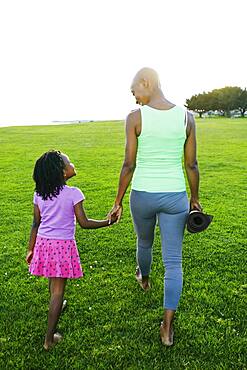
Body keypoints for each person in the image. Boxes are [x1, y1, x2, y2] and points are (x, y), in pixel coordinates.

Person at [108, 67, 201, 346]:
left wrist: (117, 201)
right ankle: (167, 328)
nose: (134, 98)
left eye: (134, 91)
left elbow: (129, 164)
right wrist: (194, 198)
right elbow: (192, 164)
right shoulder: (187, 117)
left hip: (143, 195)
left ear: (146, 83)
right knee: (174, 262)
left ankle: (144, 278)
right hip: (175, 196)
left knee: (145, 243)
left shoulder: (135, 118)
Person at [26, 150, 117, 350]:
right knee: (58, 291)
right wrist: (108, 222)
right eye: (69, 162)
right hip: (61, 246)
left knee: (53, 281)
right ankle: (49, 339)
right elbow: (84, 223)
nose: (72, 164)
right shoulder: (73, 193)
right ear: (63, 172)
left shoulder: (40, 194)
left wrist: (30, 249)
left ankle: (57, 304)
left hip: (43, 244)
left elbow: (35, 223)